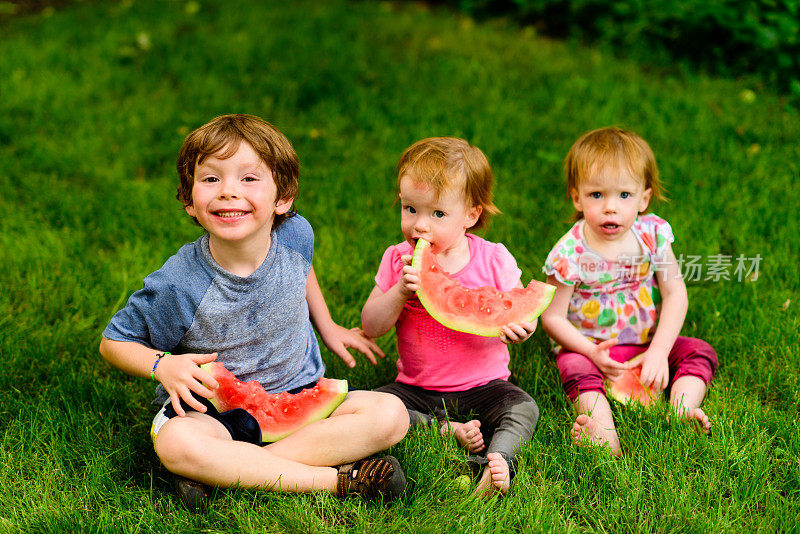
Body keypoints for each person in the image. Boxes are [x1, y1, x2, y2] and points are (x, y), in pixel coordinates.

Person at [100, 114, 409, 511]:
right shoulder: (179, 284)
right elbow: (114, 341)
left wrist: (327, 324)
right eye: (211, 179)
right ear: (189, 200)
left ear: (283, 198)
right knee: (179, 442)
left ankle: (226, 473)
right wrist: (162, 366)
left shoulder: (296, 233)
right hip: (213, 414)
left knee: (391, 414)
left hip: (301, 393)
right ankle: (336, 481)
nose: (228, 192)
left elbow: (302, 269)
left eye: (249, 179)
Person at [361, 137, 539, 495]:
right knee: (368, 403)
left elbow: (520, 310)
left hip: (487, 388)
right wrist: (398, 292)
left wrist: (523, 327)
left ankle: (498, 460)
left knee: (524, 408)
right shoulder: (397, 259)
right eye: (410, 209)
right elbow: (371, 326)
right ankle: (445, 429)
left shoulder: (494, 259)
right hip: (415, 389)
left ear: (471, 215)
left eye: (438, 214)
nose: (419, 226)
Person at [541, 126, 718, 456]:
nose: (611, 207)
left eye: (624, 195)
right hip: (591, 347)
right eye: (597, 195)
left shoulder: (652, 234)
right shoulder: (569, 254)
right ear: (577, 197)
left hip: (646, 340)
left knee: (698, 350)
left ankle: (682, 410)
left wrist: (660, 351)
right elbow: (552, 317)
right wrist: (590, 352)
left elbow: (675, 292)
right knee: (576, 368)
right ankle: (602, 432)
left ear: (643, 199)